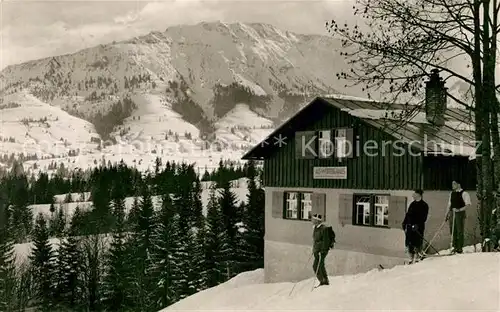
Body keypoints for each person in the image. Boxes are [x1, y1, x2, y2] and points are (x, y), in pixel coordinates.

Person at [402, 189, 429, 263]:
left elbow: (424, 217)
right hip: (410, 226)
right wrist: (404, 223)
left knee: (417, 243)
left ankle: (417, 258)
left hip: (418, 228)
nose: (413, 195)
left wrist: (417, 225)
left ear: (419, 195)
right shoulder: (412, 204)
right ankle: (411, 259)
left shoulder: (424, 205)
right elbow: (408, 215)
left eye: (414, 194)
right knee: (410, 243)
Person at [446, 181, 471, 254]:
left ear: (459, 184)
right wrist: (447, 214)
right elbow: (449, 204)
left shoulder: (464, 193)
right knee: (453, 230)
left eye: (454, 184)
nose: (452, 185)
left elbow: (468, 204)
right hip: (452, 213)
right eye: (452, 184)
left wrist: (459, 209)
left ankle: (459, 248)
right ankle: (454, 246)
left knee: (459, 230)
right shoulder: (452, 193)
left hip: (460, 213)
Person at [311, 213, 330, 286]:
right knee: (317, 265)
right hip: (316, 250)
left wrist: (322, 251)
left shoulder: (324, 229)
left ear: (318, 220)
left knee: (319, 265)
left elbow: (326, 241)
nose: (313, 221)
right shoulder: (315, 228)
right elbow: (315, 240)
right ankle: (323, 280)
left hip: (322, 251)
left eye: (314, 220)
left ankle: (324, 281)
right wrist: (314, 249)